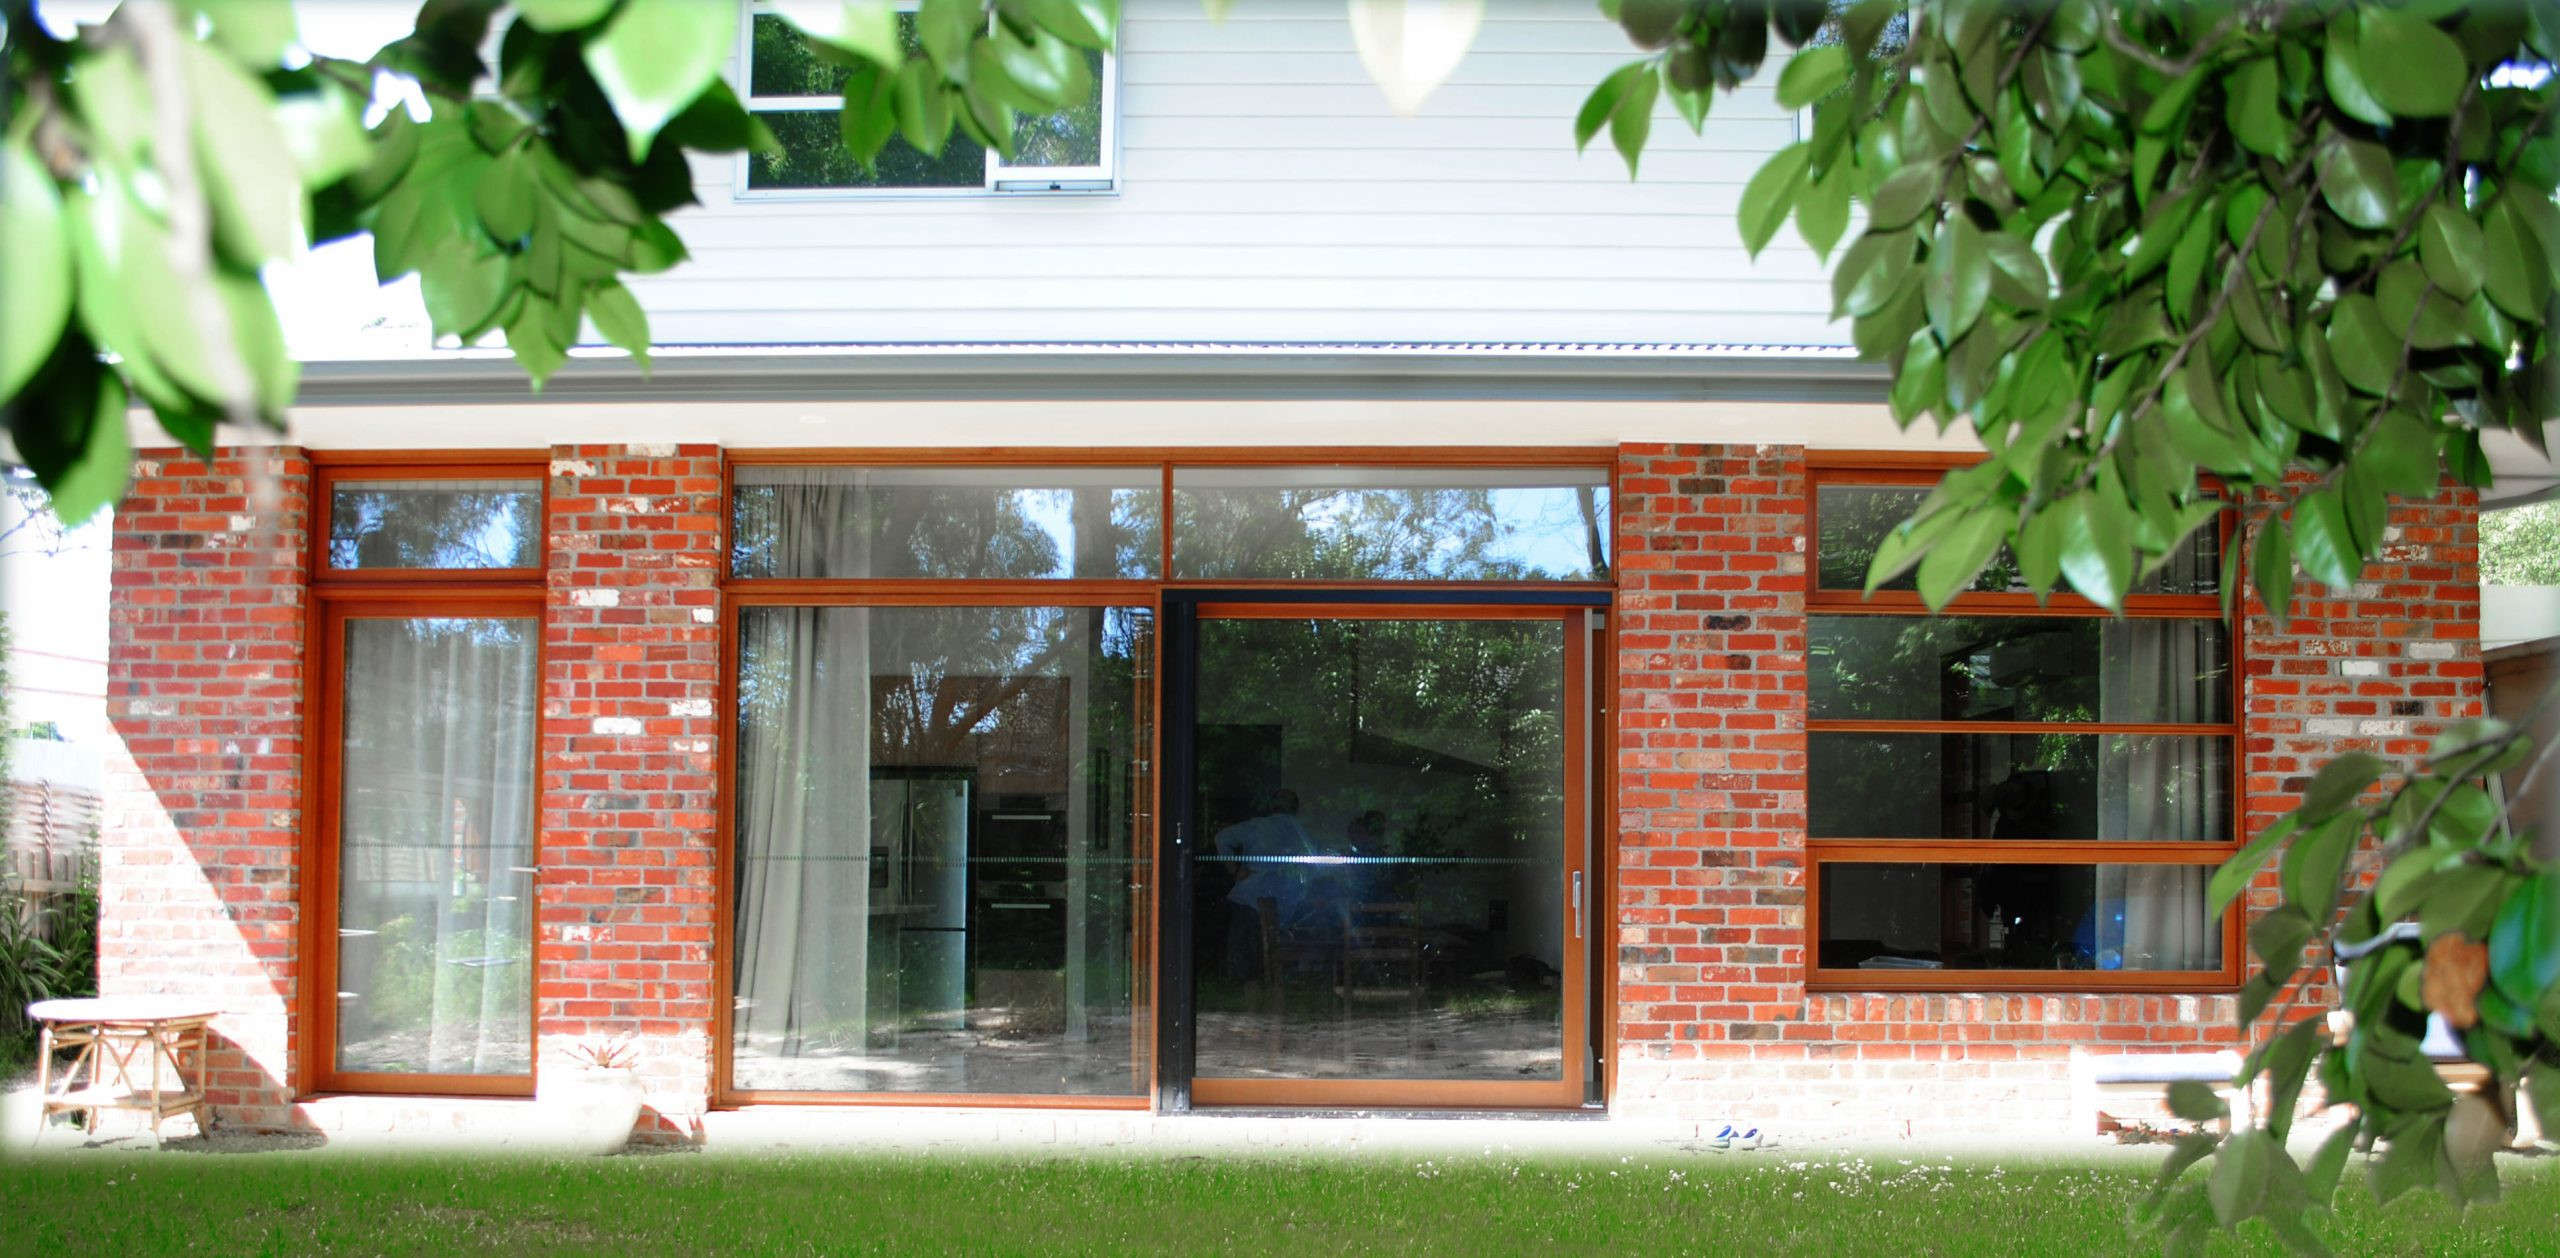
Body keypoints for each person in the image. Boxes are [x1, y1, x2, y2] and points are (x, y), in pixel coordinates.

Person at [1214, 788, 1315, 979]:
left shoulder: (1258, 826)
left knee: (1245, 950)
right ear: (1296, 808)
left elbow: (1222, 837)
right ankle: (1273, 978)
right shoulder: (1302, 832)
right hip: (1285, 898)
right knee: (1272, 945)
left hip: (1250, 895)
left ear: (1272, 806)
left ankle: (1243, 981)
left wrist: (1233, 869)